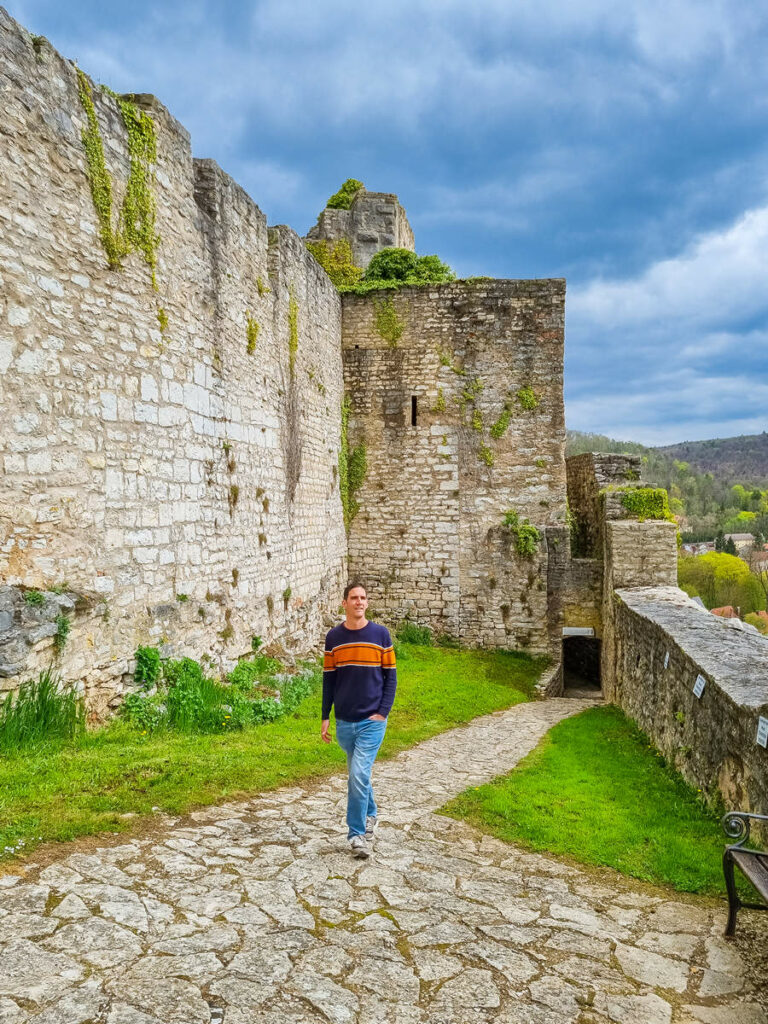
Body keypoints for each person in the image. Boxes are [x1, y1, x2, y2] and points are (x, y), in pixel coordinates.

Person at [321, 581, 397, 859]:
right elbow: (329, 679)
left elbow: (391, 677)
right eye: (354, 598)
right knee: (359, 774)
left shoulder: (380, 634)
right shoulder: (334, 637)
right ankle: (372, 813)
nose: (359, 602)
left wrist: (383, 712)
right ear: (345, 603)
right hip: (344, 722)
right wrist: (324, 716)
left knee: (358, 773)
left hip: (372, 721)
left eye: (363, 598)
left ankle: (356, 835)